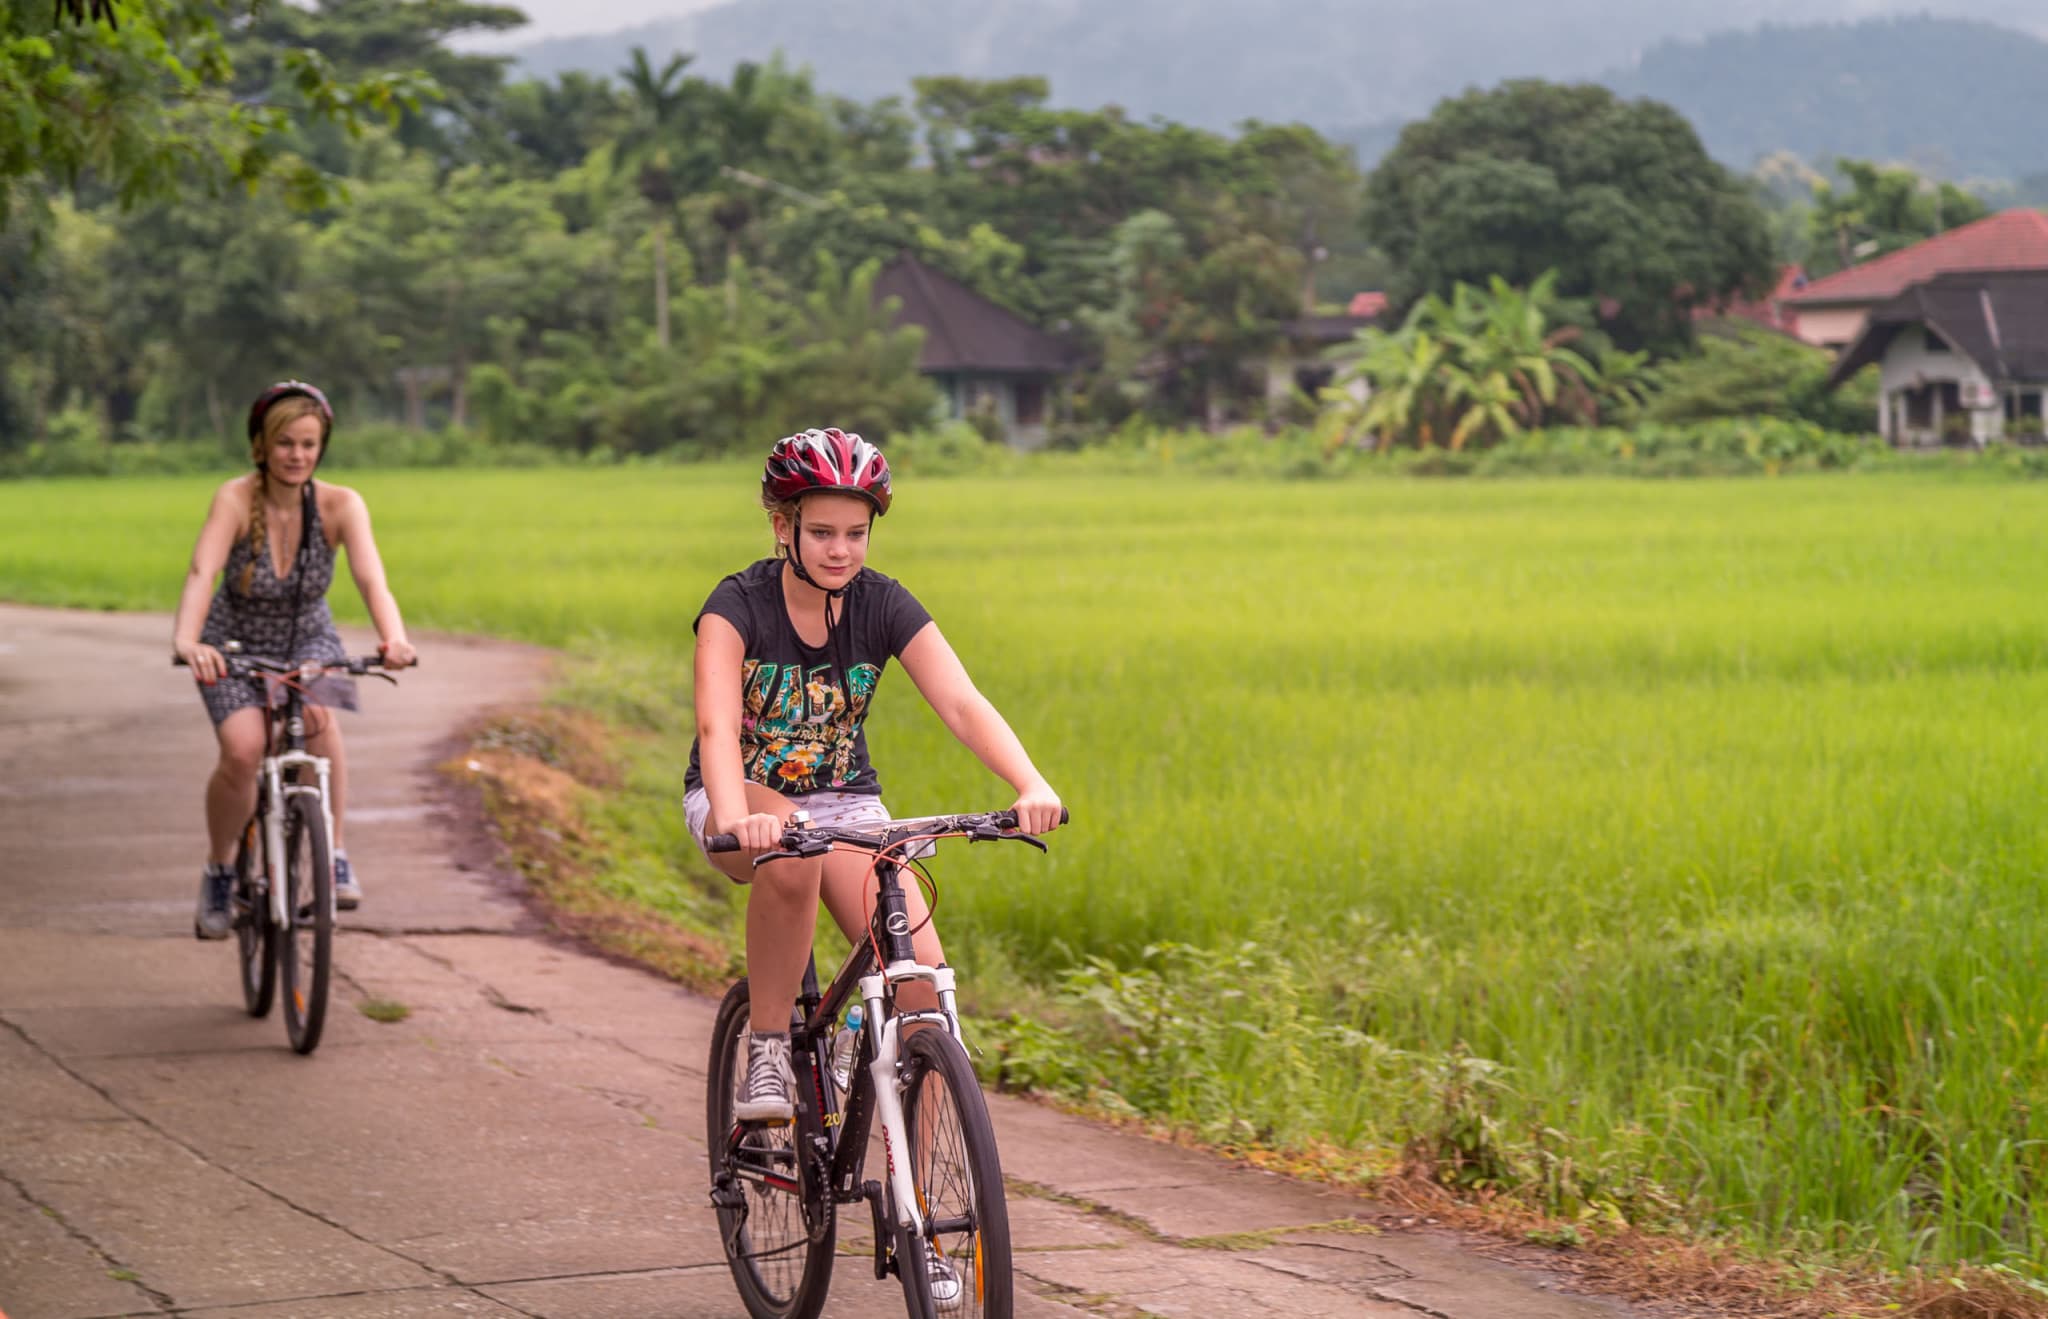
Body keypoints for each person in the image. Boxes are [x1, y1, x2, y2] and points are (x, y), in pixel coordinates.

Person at [686, 427, 1063, 1127]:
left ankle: (918, 1208)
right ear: (783, 525)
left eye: (856, 532)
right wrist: (739, 817)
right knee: (792, 854)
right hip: (740, 794)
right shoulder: (736, 605)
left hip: (847, 802)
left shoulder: (883, 603)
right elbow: (715, 729)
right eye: (822, 531)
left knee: (919, 988)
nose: (840, 550)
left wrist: (1030, 783)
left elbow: (961, 701)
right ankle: (769, 1044)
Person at [171, 381, 417, 939]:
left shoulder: (341, 504)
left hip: (309, 640)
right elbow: (201, 573)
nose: (297, 455)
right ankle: (219, 866)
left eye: (309, 444)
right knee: (244, 748)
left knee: (319, 725)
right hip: (232, 646)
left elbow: (371, 578)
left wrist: (394, 639)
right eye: (285, 443)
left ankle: (333, 854)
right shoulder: (233, 499)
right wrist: (189, 641)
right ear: (260, 445)